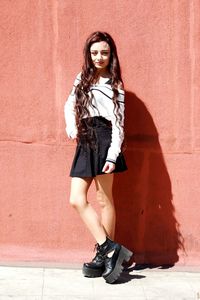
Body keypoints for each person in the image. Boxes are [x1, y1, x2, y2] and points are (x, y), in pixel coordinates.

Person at [64, 31, 132, 284]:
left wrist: (113, 155)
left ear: (111, 54)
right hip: (85, 139)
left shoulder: (115, 85)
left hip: (105, 139)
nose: (99, 57)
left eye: (104, 52)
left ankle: (104, 257)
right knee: (76, 199)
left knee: (104, 199)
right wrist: (72, 129)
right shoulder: (82, 78)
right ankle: (111, 248)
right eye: (94, 53)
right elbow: (69, 105)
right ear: (88, 54)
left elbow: (119, 124)